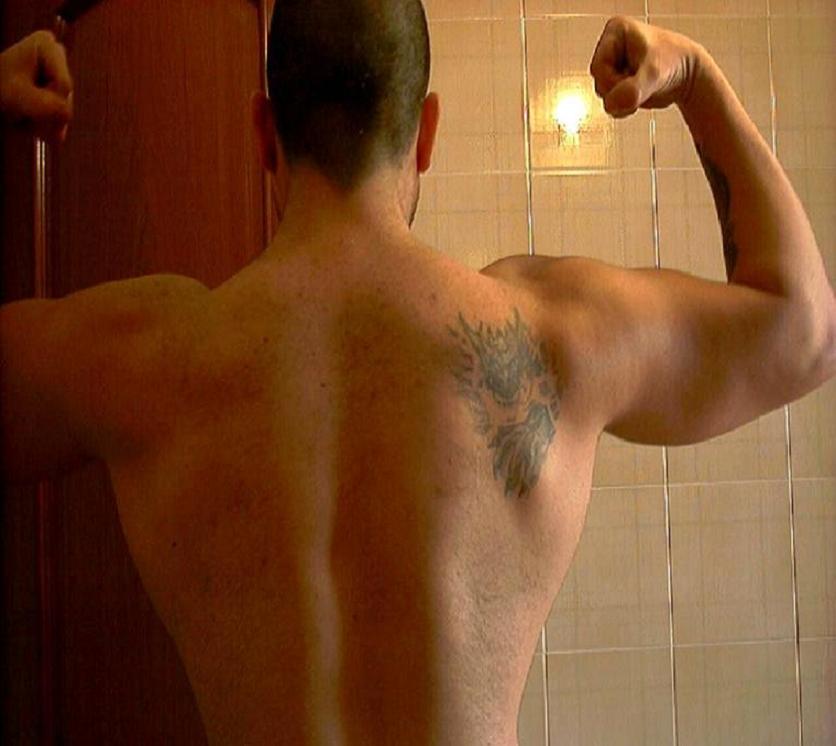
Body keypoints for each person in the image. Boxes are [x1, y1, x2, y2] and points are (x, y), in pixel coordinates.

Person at [1, 3, 834, 744]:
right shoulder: (551, 338)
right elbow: (805, 332)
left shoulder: (147, 355)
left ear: (263, 131)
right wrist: (695, 77)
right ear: (426, 131)